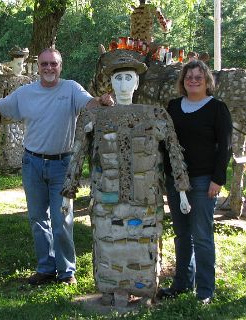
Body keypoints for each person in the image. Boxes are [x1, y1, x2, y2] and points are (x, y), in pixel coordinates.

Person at [0, 47, 114, 286]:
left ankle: (66, 272)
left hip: (61, 165)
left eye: (53, 64)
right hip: (32, 163)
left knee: (61, 218)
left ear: (60, 66)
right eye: (44, 64)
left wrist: (104, 100)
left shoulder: (71, 89)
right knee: (37, 219)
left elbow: (91, 104)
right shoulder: (26, 93)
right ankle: (46, 268)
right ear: (39, 67)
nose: (48, 68)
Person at [61, 50, 190, 306]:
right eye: (118, 79)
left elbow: (175, 152)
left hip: (145, 195)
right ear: (111, 83)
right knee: (108, 240)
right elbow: (77, 154)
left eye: (128, 78)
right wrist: (68, 193)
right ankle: (110, 287)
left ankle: (143, 288)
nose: (123, 85)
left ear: (137, 82)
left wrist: (182, 190)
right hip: (107, 194)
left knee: (144, 240)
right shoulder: (94, 116)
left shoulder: (155, 115)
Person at [158, 60, 232, 304]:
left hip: (203, 181)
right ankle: (182, 284)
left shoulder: (217, 109)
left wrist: (218, 180)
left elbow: (225, 148)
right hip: (176, 182)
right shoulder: (173, 107)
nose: (193, 80)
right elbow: (164, 142)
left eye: (198, 77)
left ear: (207, 81)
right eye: (189, 77)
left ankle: (205, 291)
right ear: (183, 81)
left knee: (201, 236)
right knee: (182, 235)